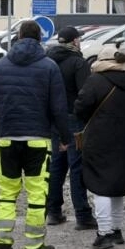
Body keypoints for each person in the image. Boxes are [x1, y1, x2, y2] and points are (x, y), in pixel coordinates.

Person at [0, 20, 71, 249]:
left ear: (19, 37)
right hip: (37, 140)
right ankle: (34, 246)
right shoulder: (49, 66)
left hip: (8, 139)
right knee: (36, 194)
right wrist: (64, 138)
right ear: (39, 39)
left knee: (7, 192)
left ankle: (2, 242)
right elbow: (58, 107)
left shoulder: (1, 67)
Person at [74, 46, 125, 249]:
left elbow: (80, 107)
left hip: (100, 139)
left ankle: (104, 233)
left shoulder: (95, 81)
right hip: (124, 138)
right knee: (117, 185)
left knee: (100, 185)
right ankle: (117, 230)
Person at [45, 25, 94, 229]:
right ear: (74, 41)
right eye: (78, 39)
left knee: (56, 166)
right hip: (74, 119)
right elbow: (85, 94)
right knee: (77, 166)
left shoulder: (49, 62)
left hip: (54, 119)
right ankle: (82, 215)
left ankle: (54, 212)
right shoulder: (78, 62)